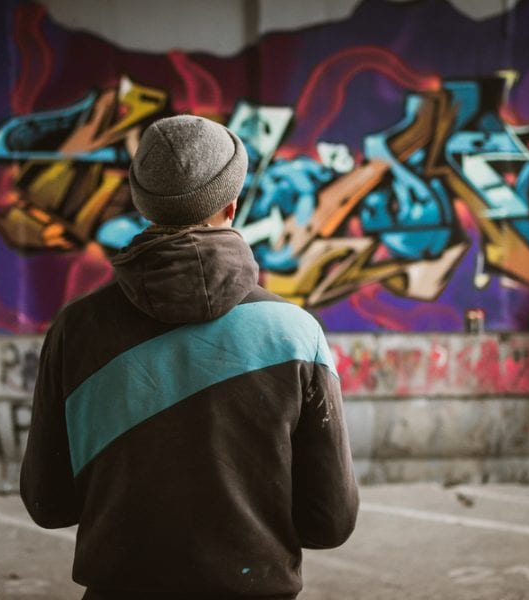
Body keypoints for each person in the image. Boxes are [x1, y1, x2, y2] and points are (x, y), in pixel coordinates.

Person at [20, 114, 359, 599]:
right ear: (231, 205)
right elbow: (329, 522)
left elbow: (48, 503)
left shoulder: (77, 330)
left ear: (143, 205)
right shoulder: (295, 333)